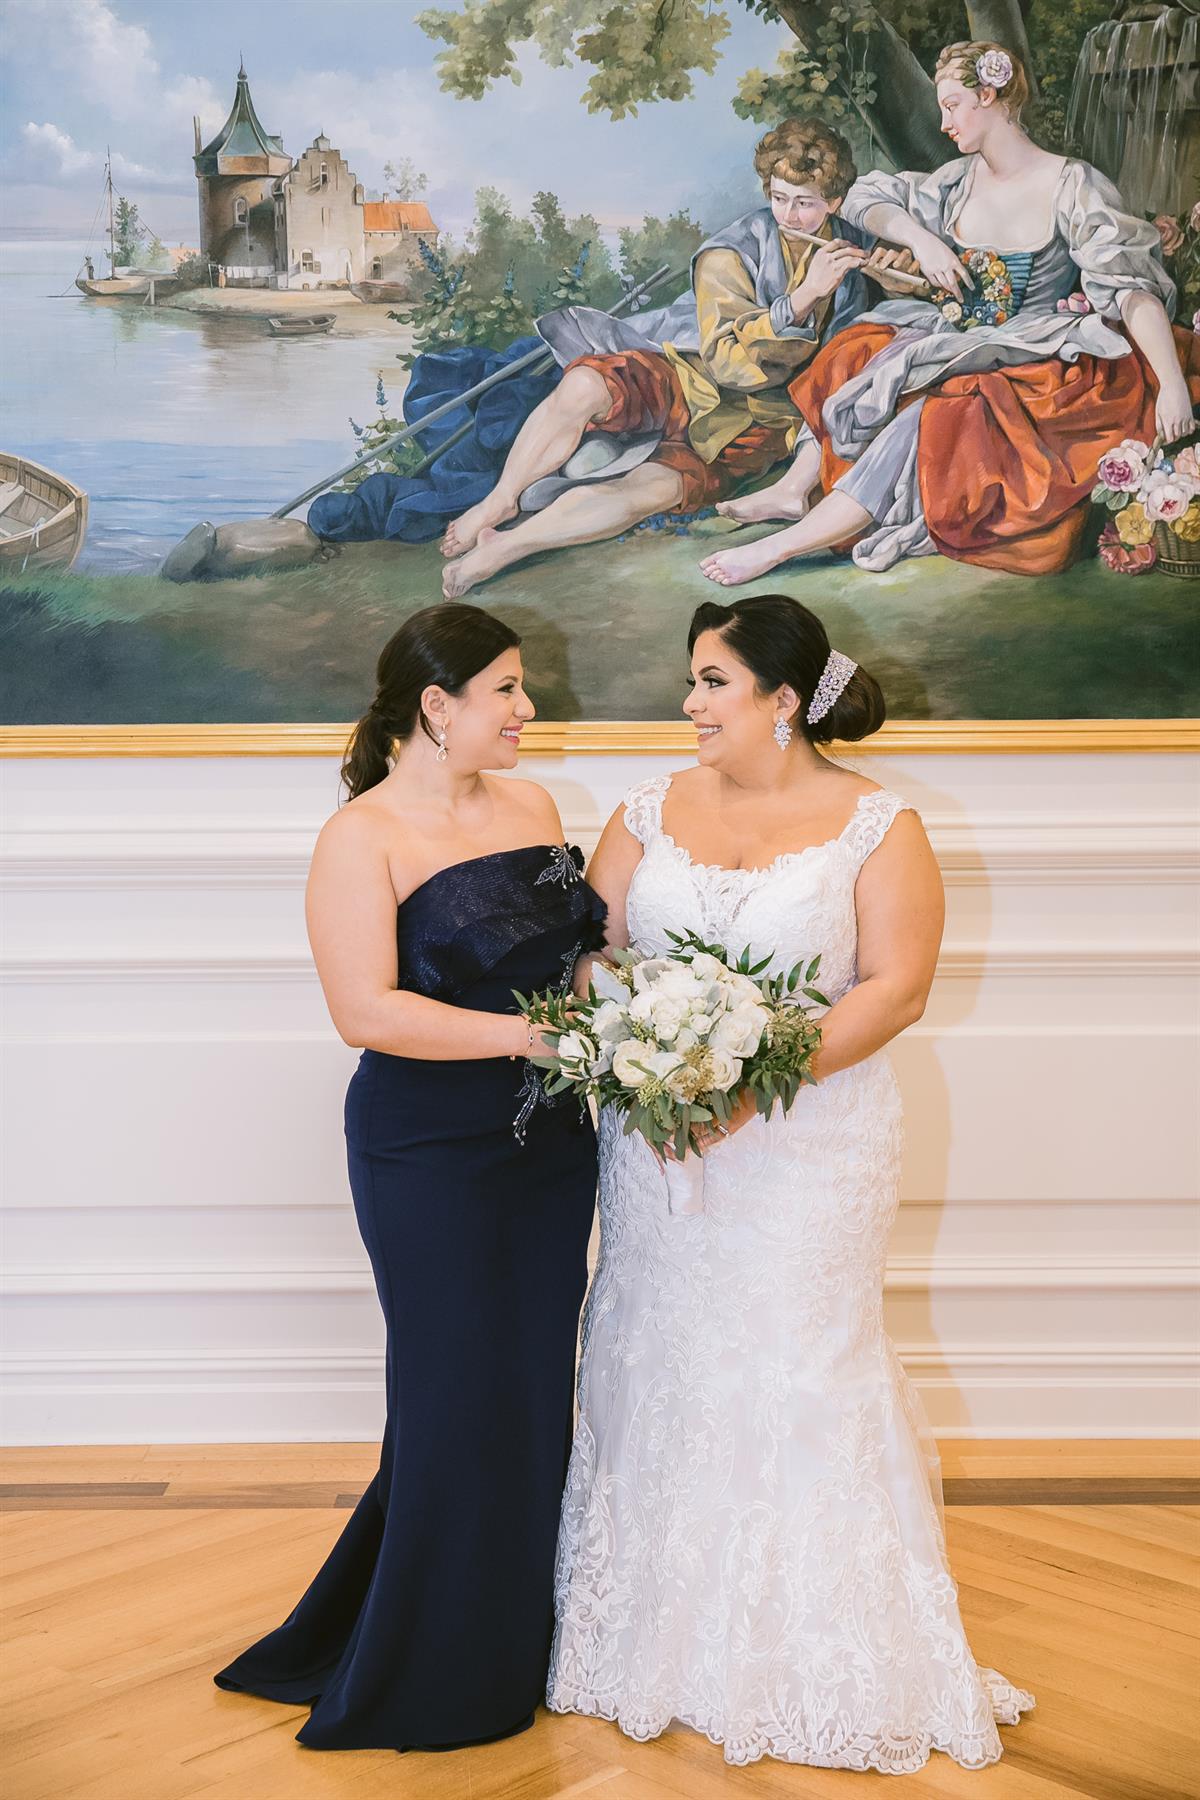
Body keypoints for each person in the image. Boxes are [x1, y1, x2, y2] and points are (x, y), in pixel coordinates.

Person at [547, 593, 1035, 1771]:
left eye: (711, 681)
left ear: (781, 699)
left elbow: (895, 986)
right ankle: (649, 1643)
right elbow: (591, 953)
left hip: (810, 1147)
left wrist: (747, 1084)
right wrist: (647, 1049)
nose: (690, 703)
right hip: (660, 1144)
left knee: (801, 1361)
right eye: (692, 679)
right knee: (656, 1350)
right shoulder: (644, 809)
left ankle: (818, 1656)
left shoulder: (880, 825)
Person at [214, 603, 605, 1751]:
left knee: (528, 1394)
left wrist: (627, 1006)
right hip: (428, 1150)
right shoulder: (361, 837)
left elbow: (571, 957)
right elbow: (366, 1013)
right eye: (507, 690)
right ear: (437, 706)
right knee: (449, 1399)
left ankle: (509, 1637)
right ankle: (427, 1666)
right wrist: (535, 1038)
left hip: (551, 1148)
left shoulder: (535, 808)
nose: (527, 710)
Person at [699, 39, 1198, 586]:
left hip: (1036, 354)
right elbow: (863, 197)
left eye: (952, 105)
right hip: (961, 341)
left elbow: (1131, 292)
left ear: (990, 97)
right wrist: (924, 241)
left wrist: (1171, 384)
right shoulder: (956, 183)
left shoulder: (1071, 184)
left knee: (937, 412)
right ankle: (796, 488)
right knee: (857, 349)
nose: (944, 123)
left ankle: (782, 547)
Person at [439, 119, 919, 597]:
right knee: (586, 383)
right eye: (779, 198)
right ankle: (501, 500)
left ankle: (507, 546)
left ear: (833, 202)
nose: (789, 215)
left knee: (656, 490)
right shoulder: (729, 253)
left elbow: (876, 323)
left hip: (762, 420)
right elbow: (727, 362)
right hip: (689, 372)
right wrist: (800, 300)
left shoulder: (853, 242)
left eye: (805, 203)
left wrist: (896, 276)